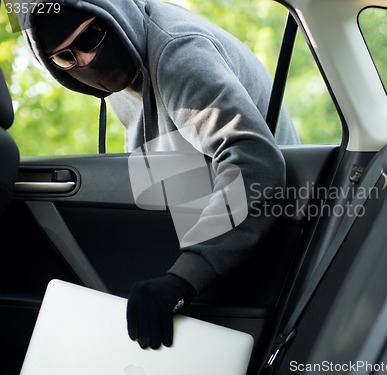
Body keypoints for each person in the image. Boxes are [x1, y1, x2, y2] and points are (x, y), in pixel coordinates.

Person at [20, 0, 299, 350]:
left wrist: (184, 278)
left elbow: (255, 163)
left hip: (268, 234)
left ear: (114, 14)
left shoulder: (177, 53)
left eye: (90, 36)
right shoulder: (125, 69)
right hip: (213, 219)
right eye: (66, 57)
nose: (86, 61)